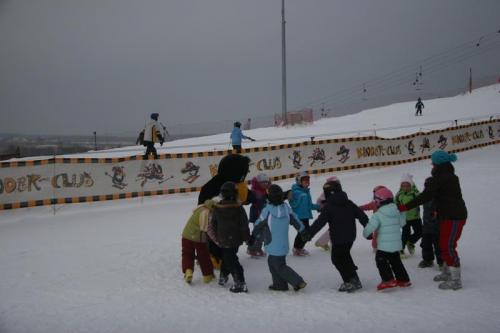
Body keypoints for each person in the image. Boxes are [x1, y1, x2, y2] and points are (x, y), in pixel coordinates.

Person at [399, 150, 467, 290]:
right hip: (446, 215)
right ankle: (447, 272)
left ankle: (456, 280)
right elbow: (444, 196)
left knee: (448, 246)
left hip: (454, 217)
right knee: (443, 245)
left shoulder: (442, 178)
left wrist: (406, 206)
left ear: (438, 164)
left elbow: (426, 196)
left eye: (433, 163)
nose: (432, 166)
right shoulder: (448, 176)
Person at [305, 179, 369, 293]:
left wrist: (309, 234)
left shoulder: (328, 207)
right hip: (350, 237)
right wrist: (368, 228)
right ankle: (354, 279)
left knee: (337, 259)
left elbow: (319, 223)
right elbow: (361, 215)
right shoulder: (349, 203)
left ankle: (349, 281)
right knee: (345, 256)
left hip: (338, 238)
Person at [198, 154, 253, 270]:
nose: (247, 172)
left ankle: (223, 257)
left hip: (231, 224)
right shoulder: (214, 186)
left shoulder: (237, 185)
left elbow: (250, 196)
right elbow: (203, 207)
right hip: (214, 223)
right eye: (244, 170)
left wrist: (276, 197)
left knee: (230, 242)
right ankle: (213, 256)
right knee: (215, 240)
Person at [251, 184, 307, 292]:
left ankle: (298, 281)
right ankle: (280, 285)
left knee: (279, 266)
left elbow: (258, 224)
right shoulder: (286, 209)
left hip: (272, 243)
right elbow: (296, 220)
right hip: (283, 244)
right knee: (272, 264)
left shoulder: (267, 210)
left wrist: (253, 236)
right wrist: (303, 231)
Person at [363, 187, 411, 291]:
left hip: (384, 246)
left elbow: (371, 227)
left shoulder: (378, 214)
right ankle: (403, 280)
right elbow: (403, 223)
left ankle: (388, 279)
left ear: (379, 202)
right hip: (396, 245)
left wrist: (365, 233)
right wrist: (403, 212)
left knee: (381, 260)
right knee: (396, 261)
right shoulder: (397, 211)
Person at [207, 181, 250, 293]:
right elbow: (244, 225)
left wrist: (217, 237)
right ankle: (224, 276)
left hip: (223, 239)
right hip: (235, 239)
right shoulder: (239, 209)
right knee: (229, 258)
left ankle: (239, 282)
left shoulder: (217, 208)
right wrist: (246, 237)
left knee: (229, 259)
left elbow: (213, 224)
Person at [181, 200, 216, 284]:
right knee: (203, 256)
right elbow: (209, 230)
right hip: (198, 238)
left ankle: (188, 271)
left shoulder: (200, 208)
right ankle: (208, 276)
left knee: (187, 254)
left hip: (186, 234)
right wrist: (217, 241)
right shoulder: (208, 214)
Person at [288, 171, 320, 256]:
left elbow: (309, 205)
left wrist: (319, 207)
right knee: (302, 233)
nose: (307, 182)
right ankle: (297, 248)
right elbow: (292, 205)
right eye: (305, 180)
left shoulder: (306, 191)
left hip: (305, 216)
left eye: (308, 180)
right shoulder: (294, 191)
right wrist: (299, 198)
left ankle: (299, 247)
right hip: (298, 217)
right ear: (299, 181)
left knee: (305, 233)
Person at [418, 177, 443, 269]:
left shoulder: (440, 197)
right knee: (425, 244)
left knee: (438, 245)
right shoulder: (424, 196)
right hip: (426, 225)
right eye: (427, 186)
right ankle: (427, 260)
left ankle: (441, 262)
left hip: (437, 226)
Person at [395, 173, 422, 259]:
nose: (405, 188)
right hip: (404, 218)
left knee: (420, 232)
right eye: (403, 186)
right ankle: (401, 249)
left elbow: (422, 199)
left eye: (407, 185)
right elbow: (395, 204)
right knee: (405, 233)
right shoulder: (399, 195)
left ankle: (410, 242)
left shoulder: (415, 193)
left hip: (415, 217)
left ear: (411, 185)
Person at [312, 175, 339, 251]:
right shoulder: (326, 193)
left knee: (334, 227)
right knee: (334, 228)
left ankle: (322, 242)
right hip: (329, 212)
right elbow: (319, 200)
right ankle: (329, 244)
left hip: (334, 211)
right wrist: (321, 207)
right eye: (335, 183)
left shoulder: (335, 191)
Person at [359, 185, 389, 252]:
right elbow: (366, 206)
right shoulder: (374, 203)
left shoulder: (389, 204)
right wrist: (358, 208)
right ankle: (375, 248)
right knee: (376, 236)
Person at [247, 173, 271, 257]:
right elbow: (248, 200)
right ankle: (251, 249)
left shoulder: (265, 191)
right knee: (258, 234)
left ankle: (258, 248)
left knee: (263, 234)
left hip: (264, 216)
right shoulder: (254, 192)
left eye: (266, 182)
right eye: (263, 182)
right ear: (258, 183)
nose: (265, 184)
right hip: (257, 216)